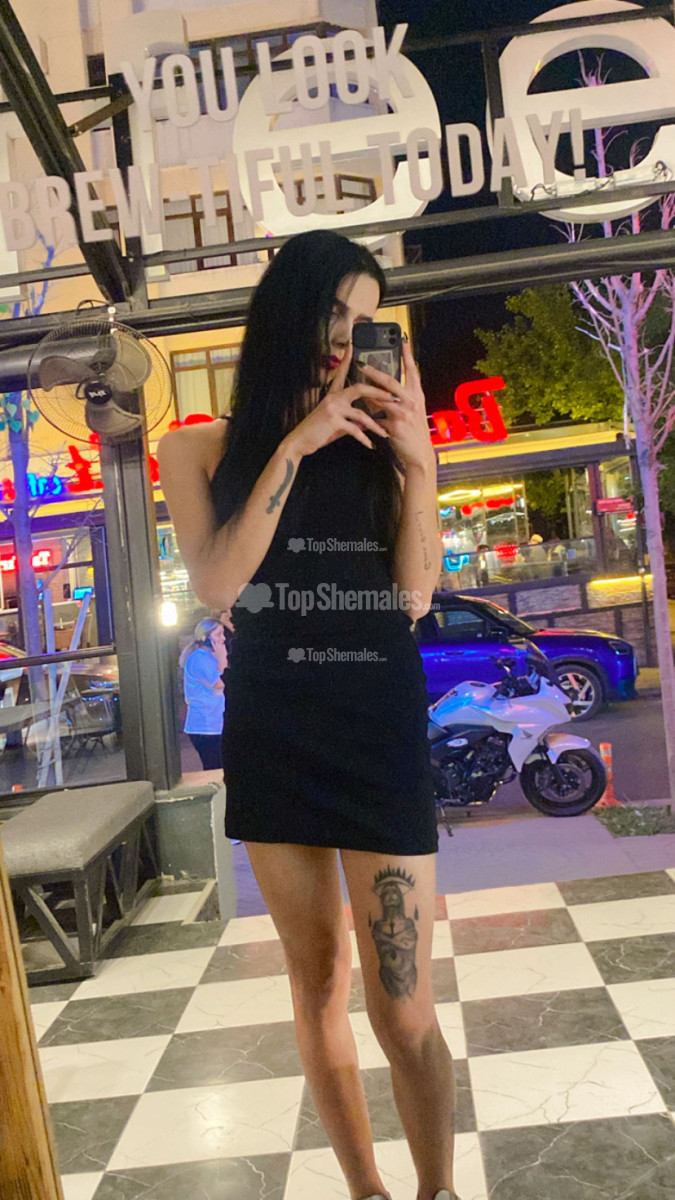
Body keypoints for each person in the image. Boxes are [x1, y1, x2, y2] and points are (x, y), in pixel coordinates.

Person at [158, 229, 460, 1200]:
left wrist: (419, 464)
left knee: (402, 1006)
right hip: (275, 728)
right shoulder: (196, 450)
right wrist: (296, 440)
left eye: (366, 320)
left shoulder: (384, 443)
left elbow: (413, 596)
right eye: (333, 311)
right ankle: (367, 1191)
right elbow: (218, 585)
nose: (346, 336)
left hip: (375, 721)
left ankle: (438, 1191)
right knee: (319, 983)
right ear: (285, 310)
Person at [179, 618, 227, 770]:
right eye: (218, 634)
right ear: (204, 637)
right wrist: (222, 657)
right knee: (215, 767)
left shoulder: (210, 657)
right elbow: (219, 682)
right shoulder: (198, 658)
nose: (223, 638)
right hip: (205, 725)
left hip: (216, 722)